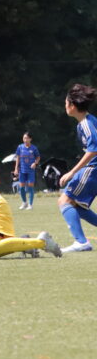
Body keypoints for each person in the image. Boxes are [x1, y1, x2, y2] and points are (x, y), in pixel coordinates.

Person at [58, 83, 97, 253]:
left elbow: (94, 150)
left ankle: (81, 242)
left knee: (64, 201)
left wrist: (72, 172)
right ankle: (81, 242)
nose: (65, 106)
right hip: (92, 169)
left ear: (72, 105)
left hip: (93, 168)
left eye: (66, 103)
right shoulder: (84, 123)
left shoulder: (87, 124)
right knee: (76, 205)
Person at [14, 132, 40, 210]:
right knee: (21, 187)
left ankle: (30, 205)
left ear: (30, 139)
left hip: (31, 171)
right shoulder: (20, 147)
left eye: (27, 138)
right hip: (22, 170)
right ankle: (24, 203)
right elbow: (18, 158)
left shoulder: (34, 148)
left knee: (30, 187)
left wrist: (35, 163)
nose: (25, 140)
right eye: (24, 138)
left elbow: (38, 157)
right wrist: (16, 168)